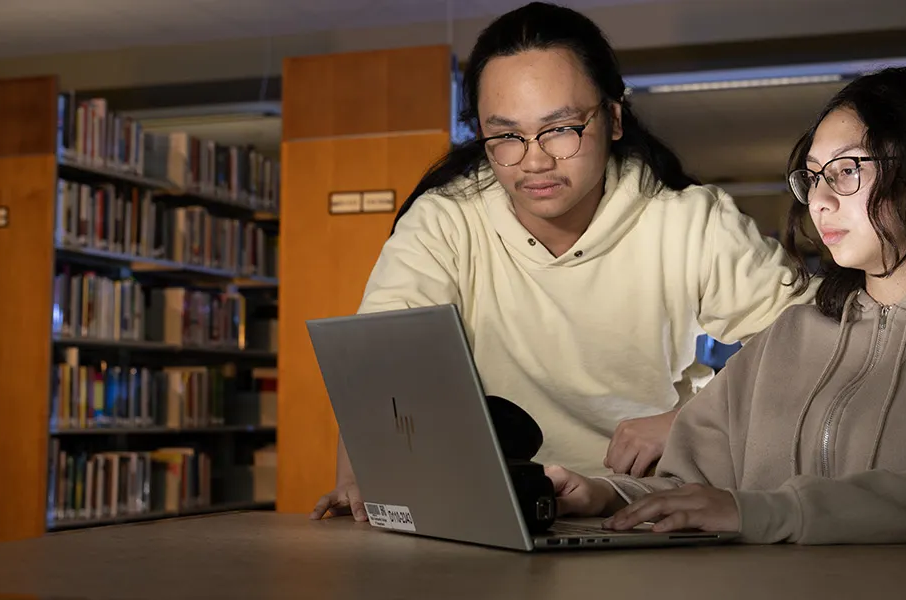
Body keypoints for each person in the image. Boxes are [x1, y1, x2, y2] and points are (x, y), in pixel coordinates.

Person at [311, 2, 813, 520]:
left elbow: (814, 344)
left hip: (645, 506)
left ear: (613, 118)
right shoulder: (445, 221)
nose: (534, 160)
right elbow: (380, 366)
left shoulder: (690, 221)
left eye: (561, 128)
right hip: (494, 503)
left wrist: (690, 418)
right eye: (505, 135)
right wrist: (357, 478)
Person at [544, 66, 906, 545]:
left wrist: (769, 511)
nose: (822, 199)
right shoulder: (790, 334)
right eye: (814, 176)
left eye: (847, 170)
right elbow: (689, 485)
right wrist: (608, 494)